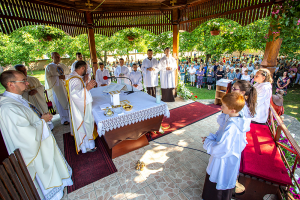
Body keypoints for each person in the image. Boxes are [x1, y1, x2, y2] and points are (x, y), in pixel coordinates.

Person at [0, 70, 73, 200]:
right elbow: (25, 136)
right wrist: (42, 121)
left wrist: (41, 118)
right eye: (23, 81)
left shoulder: (17, 100)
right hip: (33, 150)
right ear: (11, 84)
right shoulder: (8, 108)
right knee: (43, 173)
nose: (27, 83)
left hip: (41, 141)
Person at [201, 92, 251, 200]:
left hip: (224, 159)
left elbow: (222, 149)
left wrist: (208, 143)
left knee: (220, 177)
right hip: (228, 155)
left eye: (223, 105)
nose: (221, 106)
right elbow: (221, 135)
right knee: (218, 176)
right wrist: (212, 138)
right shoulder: (232, 117)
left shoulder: (233, 127)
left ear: (232, 109)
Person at [66, 61, 97, 154]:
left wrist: (86, 83)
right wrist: (87, 88)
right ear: (82, 68)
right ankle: (87, 146)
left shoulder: (73, 77)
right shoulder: (75, 80)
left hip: (77, 106)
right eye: (86, 68)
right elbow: (75, 95)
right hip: (79, 108)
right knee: (86, 122)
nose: (87, 70)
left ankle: (87, 145)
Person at [15, 64, 54, 130]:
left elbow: (41, 87)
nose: (24, 72)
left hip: (39, 101)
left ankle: (49, 127)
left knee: (43, 112)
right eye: (21, 71)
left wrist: (36, 90)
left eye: (24, 70)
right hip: (29, 102)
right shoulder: (16, 83)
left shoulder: (33, 79)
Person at [45, 52, 70, 125]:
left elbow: (69, 74)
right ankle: (64, 119)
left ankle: (70, 117)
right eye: (56, 56)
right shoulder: (49, 67)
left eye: (59, 56)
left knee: (68, 101)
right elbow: (48, 79)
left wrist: (65, 76)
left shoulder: (63, 65)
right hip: (57, 89)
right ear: (52, 57)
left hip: (66, 87)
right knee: (60, 103)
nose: (58, 58)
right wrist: (58, 77)